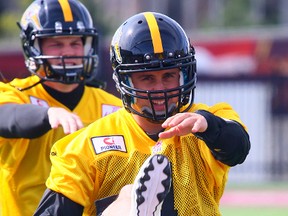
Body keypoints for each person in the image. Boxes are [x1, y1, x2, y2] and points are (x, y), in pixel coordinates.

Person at [34, 12, 251, 216]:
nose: (160, 88)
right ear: (125, 81)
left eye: (168, 75)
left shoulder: (208, 118)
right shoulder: (86, 146)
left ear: (184, 75)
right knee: (125, 200)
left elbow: (238, 149)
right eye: (147, 78)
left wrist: (208, 125)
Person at [0, 0, 122, 216]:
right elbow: (7, 117)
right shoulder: (16, 94)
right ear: (34, 47)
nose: (69, 52)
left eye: (75, 43)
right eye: (57, 44)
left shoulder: (112, 107)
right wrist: (47, 114)